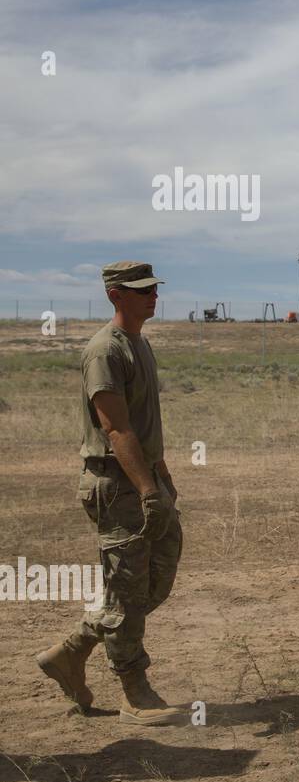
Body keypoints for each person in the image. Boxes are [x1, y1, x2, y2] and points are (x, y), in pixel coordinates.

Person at [36, 261, 187, 726]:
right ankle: (134, 692)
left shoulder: (140, 344)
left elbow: (144, 426)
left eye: (154, 289)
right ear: (114, 295)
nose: (152, 296)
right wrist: (146, 489)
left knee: (152, 579)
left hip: (143, 478)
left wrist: (162, 478)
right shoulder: (105, 350)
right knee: (126, 589)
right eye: (141, 290)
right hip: (116, 484)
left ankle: (73, 650)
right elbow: (115, 426)